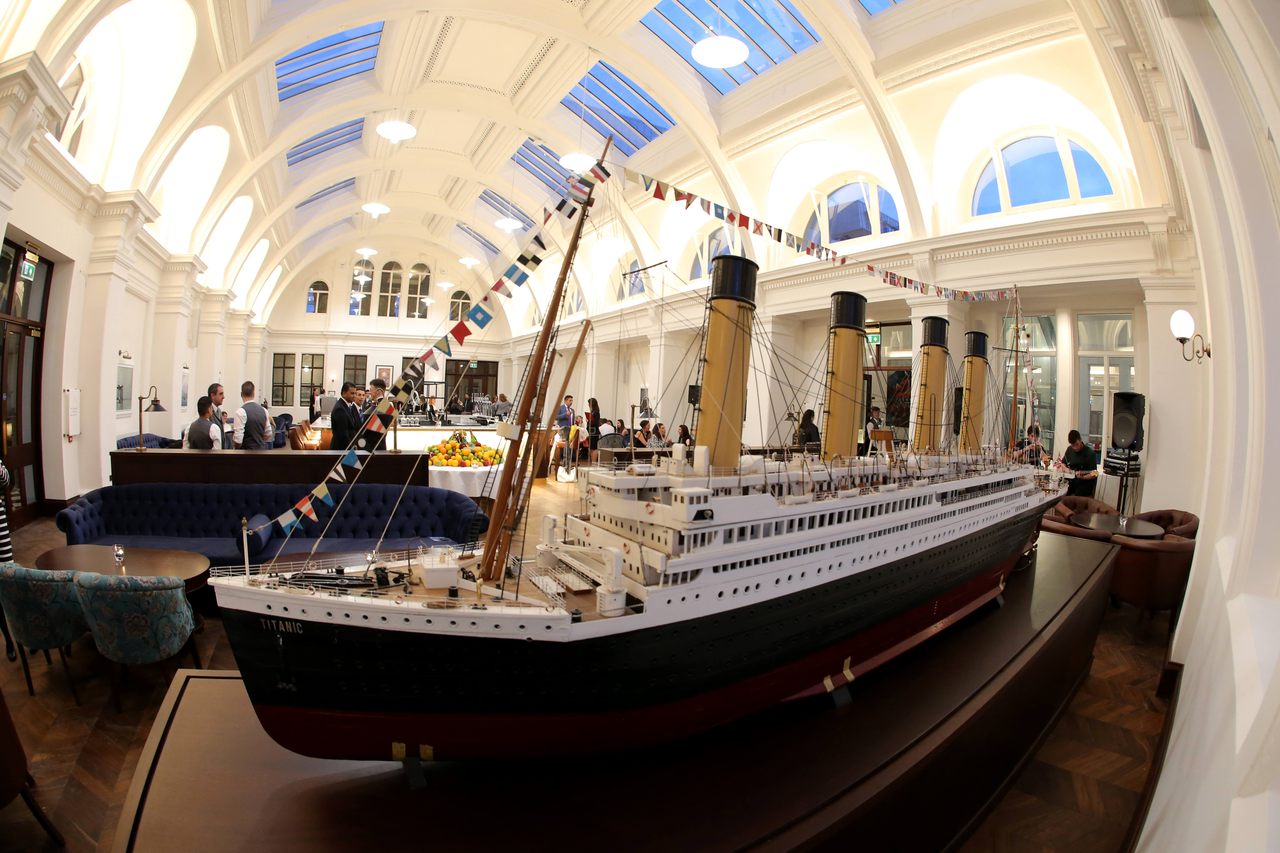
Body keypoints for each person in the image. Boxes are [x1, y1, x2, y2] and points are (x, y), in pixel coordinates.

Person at [1058, 429, 1099, 497]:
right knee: (1059, 494)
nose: (1075, 448)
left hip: (1083, 485)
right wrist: (1067, 470)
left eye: (1077, 444)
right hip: (1070, 483)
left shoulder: (1090, 453)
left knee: (1074, 497)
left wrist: (1083, 477)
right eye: (1073, 445)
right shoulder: (1069, 450)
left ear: (1080, 440)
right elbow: (1063, 463)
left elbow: (1095, 473)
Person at [233, 381, 273, 450]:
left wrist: (236, 448)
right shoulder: (264, 410)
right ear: (254, 393)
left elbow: (238, 440)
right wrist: (259, 440)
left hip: (246, 453)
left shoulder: (240, 412)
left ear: (241, 394)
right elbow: (268, 433)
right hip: (261, 451)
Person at [357, 377, 392, 451]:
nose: (369, 392)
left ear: (378, 391)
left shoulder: (374, 409)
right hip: (381, 447)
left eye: (371, 390)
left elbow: (365, 433)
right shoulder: (388, 407)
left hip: (370, 448)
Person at [329, 381, 362, 450]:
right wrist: (351, 448)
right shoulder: (340, 409)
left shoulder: (346, 406)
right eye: (352, 393)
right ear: (344, 393)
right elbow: (343, 434)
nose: (354, 396)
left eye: (355, 393)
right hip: (341, 449)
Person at [555, 395, 575, 468]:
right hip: (562, 429)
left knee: (569, 444)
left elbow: (572, 420)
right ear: (565, 401)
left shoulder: (572, 410)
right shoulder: (560, 408)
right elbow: (556, 417)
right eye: (570, 400)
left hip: (570, 429)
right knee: (562, 445)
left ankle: (568, 460)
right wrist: (565, 414)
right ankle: (561, 460)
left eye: (572, 400)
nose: (571, 402)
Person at [208, 382, 230, 448]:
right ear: (212, 395)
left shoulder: (219, 411)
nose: (223, 397)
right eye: (221, 394)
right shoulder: (208, 412)